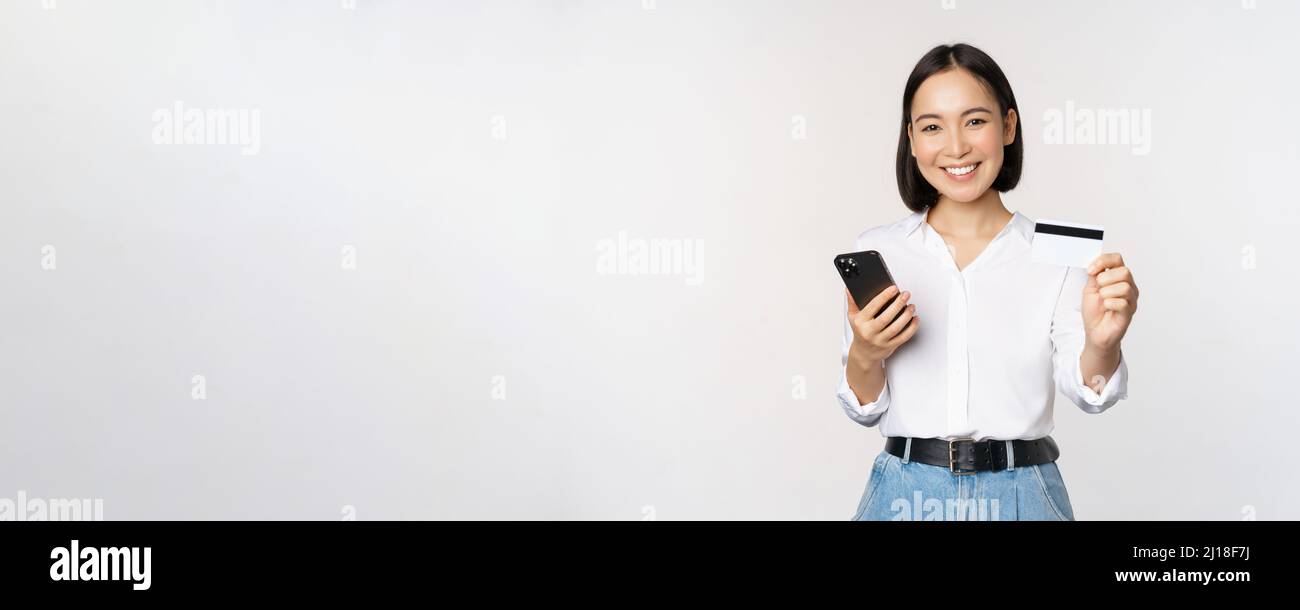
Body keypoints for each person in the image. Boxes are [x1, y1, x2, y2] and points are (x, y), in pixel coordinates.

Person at [841, 43, 1139, 521]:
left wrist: (1104, 344)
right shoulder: (880, 250)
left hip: (1022, 493)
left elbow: (1091, 392)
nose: (955, 146)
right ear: (912, 139)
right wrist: (864, 352)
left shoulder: (1061, 252)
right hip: (905, 492)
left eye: (975, 121)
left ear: (1008, 126)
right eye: (933, 126)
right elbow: (864, 407)